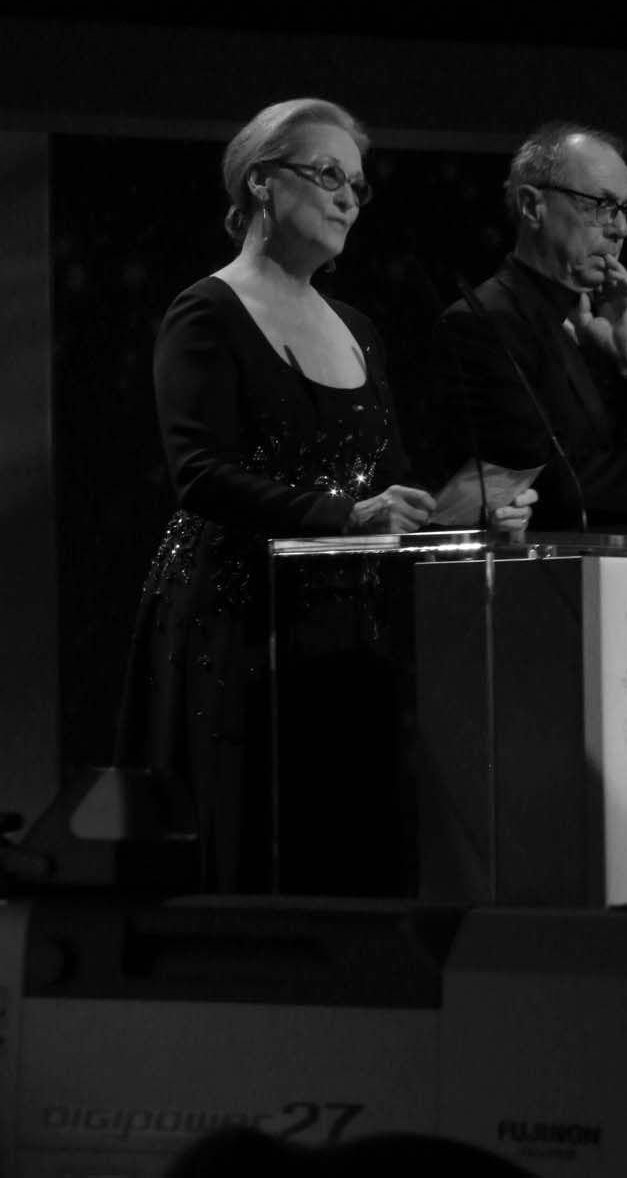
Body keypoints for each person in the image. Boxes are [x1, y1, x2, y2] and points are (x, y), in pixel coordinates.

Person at [117, 98, 534, 896]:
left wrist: (466, 508)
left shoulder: (359, 329)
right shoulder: (206, 311)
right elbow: (200, 475)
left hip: (342, 627)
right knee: (242, 851)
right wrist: (347, 516)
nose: (349, 198)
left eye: (357, 185)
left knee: (337, 852)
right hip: (232, 621)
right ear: (261, 182)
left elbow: (387, 482)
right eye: (328, 175)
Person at [430, 121, 627, 536]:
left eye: (626, 211)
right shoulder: (480, 322)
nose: (619, 229)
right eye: (601, 205)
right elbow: (548, 481)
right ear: (531, 206)